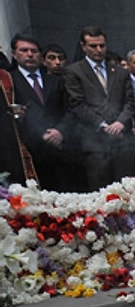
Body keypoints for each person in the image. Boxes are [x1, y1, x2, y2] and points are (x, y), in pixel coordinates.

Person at [63, 26, 135, 190]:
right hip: (95, 143)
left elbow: (130, 101)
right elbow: (77, 104)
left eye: (102, 45)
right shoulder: (74, 71)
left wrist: (120, 122)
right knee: (100, 191)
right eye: (93, 46)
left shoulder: (120, 72)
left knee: (127, 191)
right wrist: (102, 124)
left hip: (122, 141)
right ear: (83, 46)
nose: (98, 50)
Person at [9, 34, 77, 191]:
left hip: (60, 149)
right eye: (24, 50)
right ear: (14, 54)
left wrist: (60, 131)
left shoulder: (55, 80)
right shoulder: (9, 83)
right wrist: (41, 134)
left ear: (40, 56)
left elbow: (70, 109)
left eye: (34, 51)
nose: (30, 55)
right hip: (30, 152)